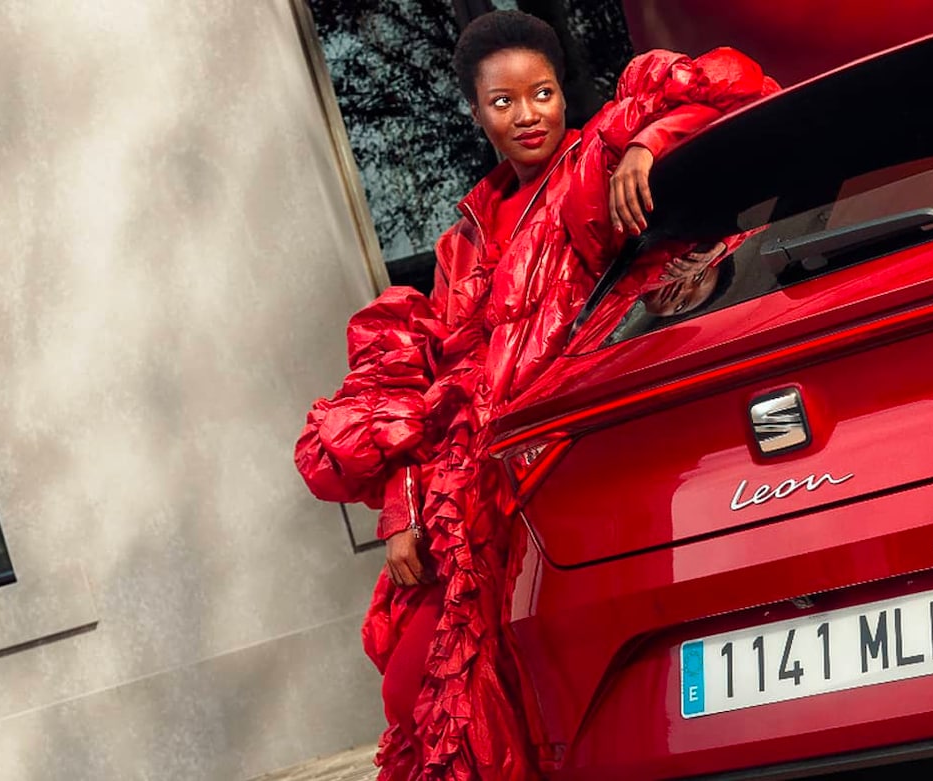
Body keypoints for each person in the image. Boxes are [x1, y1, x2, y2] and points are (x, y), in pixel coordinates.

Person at [291, 11, 776, 781]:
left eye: (543, 93)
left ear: (562, 93)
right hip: (469, 488)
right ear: (476, 111)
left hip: (567, 466)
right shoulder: (463, 240)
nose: (528, 116)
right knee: (414, 678)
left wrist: (650, 143)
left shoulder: (591, 170)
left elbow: (737, 89)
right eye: (504, 102)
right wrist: (405, 509)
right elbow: (433, 385)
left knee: (550, 695)